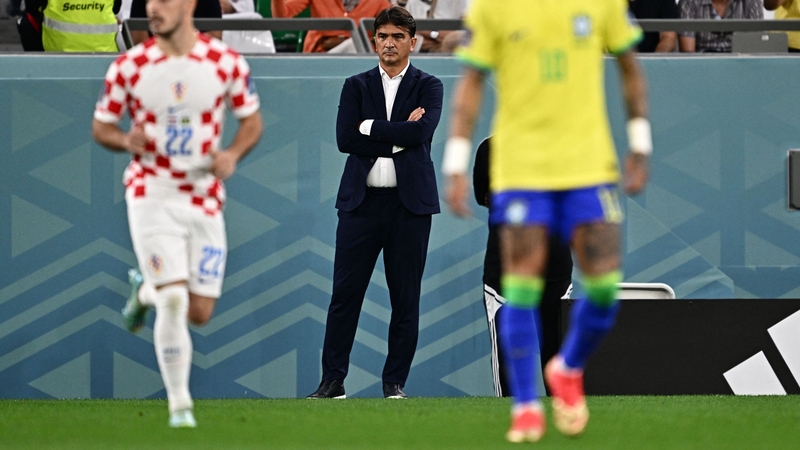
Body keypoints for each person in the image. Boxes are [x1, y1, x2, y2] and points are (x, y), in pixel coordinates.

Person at [443, 0, 651, 443]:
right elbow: (471, 82)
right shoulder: (491, 8)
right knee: (519, 285)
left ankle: (568, 367)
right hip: (521, 169)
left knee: (603, 290)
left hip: (588, 167)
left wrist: (640, 141)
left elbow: (630, 68)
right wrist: (457, 160)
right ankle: (524, 408)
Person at [91, 0, 262, 427]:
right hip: (152, 191)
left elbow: (251, 122)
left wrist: (233, 155)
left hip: (203, 195)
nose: (154, 8)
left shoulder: (224, 63)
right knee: (173, 298)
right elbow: (102, 126)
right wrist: (126, 140)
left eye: (164, 0)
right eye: (150, 1)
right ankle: (180, 408)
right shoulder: (130, 66)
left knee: (199, 311)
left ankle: (142, 290)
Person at [307, 6, 442, 400]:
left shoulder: (429, 85)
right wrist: (400, 134)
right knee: (344, 296)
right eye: (382, 36)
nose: (388, 43)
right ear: (374, 40)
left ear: (412, 42)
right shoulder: (355, 85)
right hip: (360, 206)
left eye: (398, 36)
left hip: (409, 208)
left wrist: (372, 128)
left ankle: (394, 383)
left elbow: (422, 133)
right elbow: (345, 140)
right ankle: (333, 381)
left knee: (405, 298)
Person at [472, 137, 573, 398]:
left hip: (555, 270)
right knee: (507, 365)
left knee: (557, 361)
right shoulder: (490, 148)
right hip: (504, 272)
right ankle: (508, 428)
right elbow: (483, 195)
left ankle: (560, 426)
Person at [271, 0, 389, 52]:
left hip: (357, 56)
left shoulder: (378, 1)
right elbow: (282, 17)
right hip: (320, 55)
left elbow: (392, 24)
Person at [16, 0, 121, 52]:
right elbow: (116, 8)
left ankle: (37, 72)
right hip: (105, 54)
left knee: (26, 21)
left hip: (57, 51)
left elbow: (32, 7)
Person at [678, 0, 763, 52]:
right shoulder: (689, 2)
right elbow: (688, 53)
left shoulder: (752, 2)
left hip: (740, 64)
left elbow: (758, 46)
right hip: (703, 64)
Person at [129, 0, 223, 45]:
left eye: (164, 1)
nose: (152, 8)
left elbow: (214, 38)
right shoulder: (128, 67)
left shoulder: (228, 66)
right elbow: (139, 41)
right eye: (149, 2)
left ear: (190, 3)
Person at [395, 0, 469, 53]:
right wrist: (435, 35)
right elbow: (401, 31)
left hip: (449, 51)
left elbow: (464, 31)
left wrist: (430, 34)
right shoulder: (405, 2)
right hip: (413, 54)